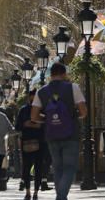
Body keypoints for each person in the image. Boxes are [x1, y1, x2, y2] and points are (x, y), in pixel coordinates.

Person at [32, 62, 86, 200]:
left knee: (57, 168)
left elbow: (34, 116)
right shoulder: (73, 87)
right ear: (64, 74)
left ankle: (61, 196)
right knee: (69, 168)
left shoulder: (41, 91)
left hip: (52, 135)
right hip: (71, 135)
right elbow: (83, 112)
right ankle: (61, 197)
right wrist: (71, 117)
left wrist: (47, 119)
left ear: (51, 75)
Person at [15, 90, 46, 200]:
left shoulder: (43, 110)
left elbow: (47, 125)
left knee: (38, 168)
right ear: (29, 98)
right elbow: (17, 126)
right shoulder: (23, 110)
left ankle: (36, 192)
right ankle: (28, 191)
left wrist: (37, 125)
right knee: (26, 168)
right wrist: (25, 124)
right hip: (26, 143)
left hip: (40, 143)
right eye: (32, 98)